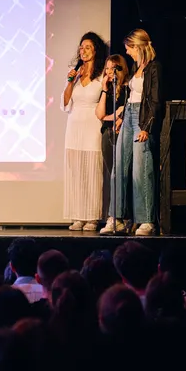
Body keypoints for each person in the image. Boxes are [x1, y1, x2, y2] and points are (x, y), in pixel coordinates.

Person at [102, 29, 163, 236]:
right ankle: (116, 218)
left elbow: (155, 101)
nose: (127, 52)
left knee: (140, 169)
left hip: (142, 118)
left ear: (138, 46)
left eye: (129, 48)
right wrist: (121, 118)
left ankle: (146, 220)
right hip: (128, 114)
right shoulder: (138, 67)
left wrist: (146, 127)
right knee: (118, 167)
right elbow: (131, 97)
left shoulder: (154, 68)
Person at [61, 32, 108, 231]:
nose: (83, 51)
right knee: (76, 171)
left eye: (87, 47)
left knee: (92, 170)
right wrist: (71, 81)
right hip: (74, 125)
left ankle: (92, 217)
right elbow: (64, 103)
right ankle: (78, 215)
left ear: (95, 50)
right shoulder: (75, 74)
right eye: (81, 47)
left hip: (92, 124)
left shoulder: (101, 75)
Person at [96, 54, 130, 226]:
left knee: (121, 175)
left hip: (121, 133)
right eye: (107, 68)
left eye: (112, 68)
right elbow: (100, 115)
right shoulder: (108, 91)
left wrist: (117, 116)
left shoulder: (127, 89)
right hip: (107, 133)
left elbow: (124, 111)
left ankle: (123, 216)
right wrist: (103, 89)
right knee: (112, 176)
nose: (109, 72)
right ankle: (117, 216)